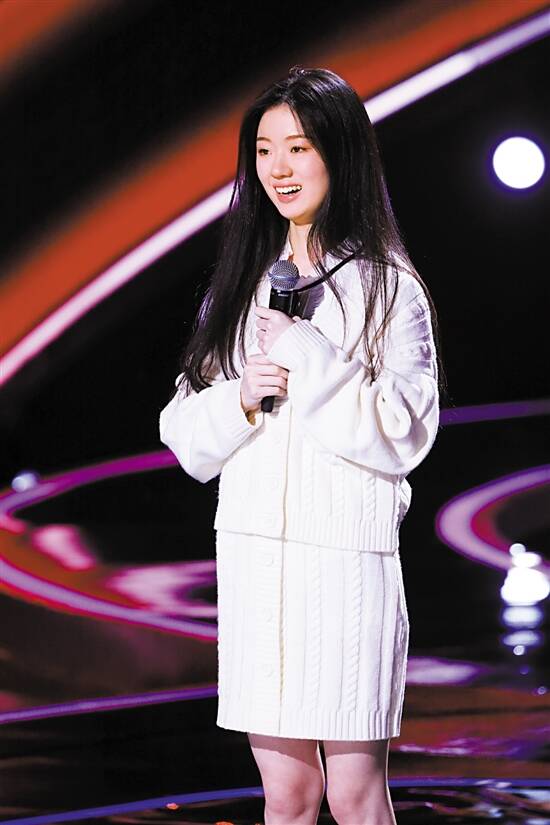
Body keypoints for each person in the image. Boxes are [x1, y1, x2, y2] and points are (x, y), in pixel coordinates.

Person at [159, 66, 442, 825]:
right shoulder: (240, 287)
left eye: (299, 147)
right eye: (264, 150)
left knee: (354, 795)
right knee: (285, 795)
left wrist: (308, 355)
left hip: (347, 569)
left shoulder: (389, 289)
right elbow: (183, 432)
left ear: (339, 154)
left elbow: (405, 431)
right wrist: (239, 399)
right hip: (257, 569)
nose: (279, 168)